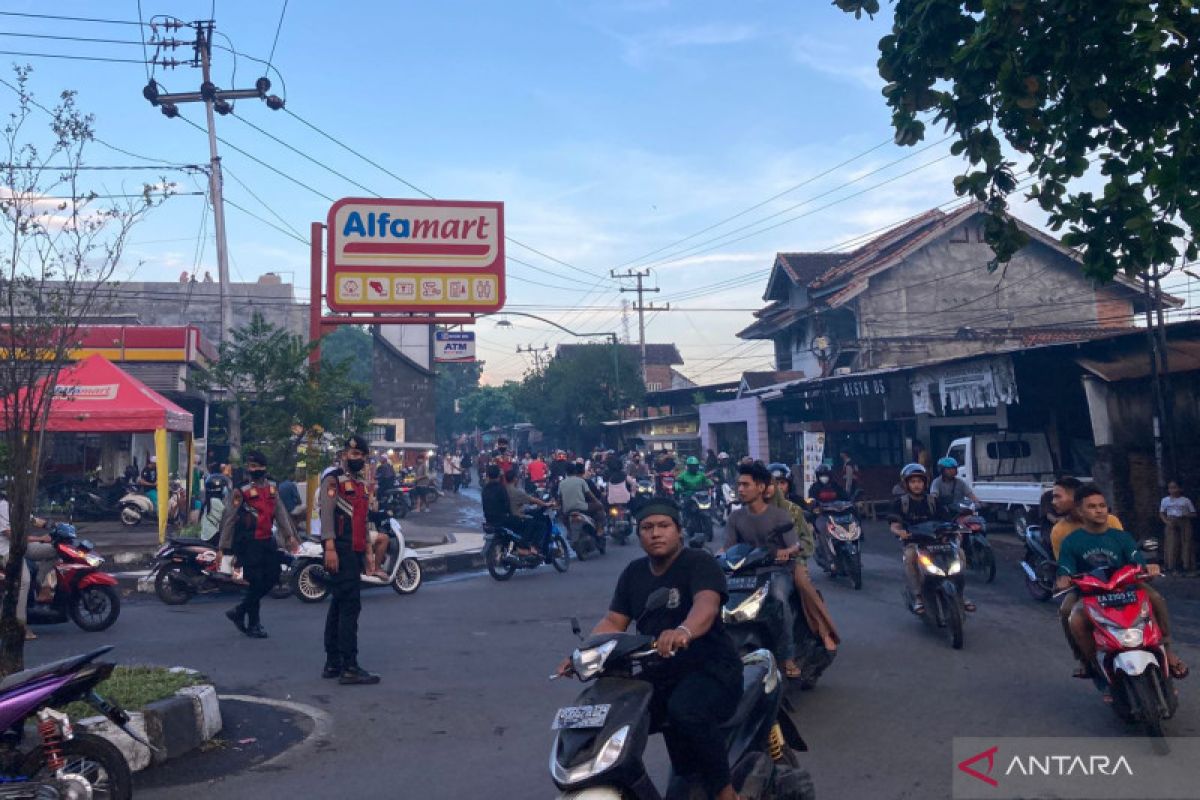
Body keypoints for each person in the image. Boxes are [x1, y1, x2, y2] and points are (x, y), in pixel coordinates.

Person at [555, 500, 744, 800]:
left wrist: (683, 631)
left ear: (679, 532)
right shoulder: (633, 573)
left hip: (711, 668)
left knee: (685, 711)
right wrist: (584, 654)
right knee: (614, 716)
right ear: (639, 534)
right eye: (647, 527)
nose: (656, 533)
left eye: (664, 526)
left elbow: (705, 606)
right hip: (660, 670)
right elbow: (614, 620)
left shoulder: (698, 562)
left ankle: (725, 792)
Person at [1058, 484, 1187, 684]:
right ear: (1080, 511)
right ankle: (1086, 660)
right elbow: (1065, 568)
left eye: (1102, 505)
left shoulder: (1121, 537)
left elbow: (1137, 560)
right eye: (1092, 506)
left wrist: (1149, 568)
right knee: (1068, 612)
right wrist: (1063, 579)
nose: (1099, 510)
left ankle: (1167, 651)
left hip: (1126, 586)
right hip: (1089, 591)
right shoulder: (1072, 541)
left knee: (1156, 599)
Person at [721, 461, 803, 679]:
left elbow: (795, 545)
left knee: (778, 599)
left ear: (760, 488)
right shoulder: (735, 517)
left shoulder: (779, 516)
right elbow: (728, 548)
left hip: (776, 570)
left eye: (746, 485)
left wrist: (787, 552)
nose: (740, 489)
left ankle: (788, 657)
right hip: (744, 573)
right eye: (739, 485)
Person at [767, 465, 839, 688]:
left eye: (779, 484)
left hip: (792, 562)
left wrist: (792, 553)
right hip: (760, 566)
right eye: (770, 483)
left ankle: (824, 631)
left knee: (801, 584)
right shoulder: (750, 511)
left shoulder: (793, 508)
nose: (774, 488)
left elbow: (807, 542)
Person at [319, 435, 381, 685]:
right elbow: (326, 515)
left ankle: (333, 662)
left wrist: (367, 551)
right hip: (340, 550)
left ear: (365, 458)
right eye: (350, 454)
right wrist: (330, 548)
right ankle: (349, 666)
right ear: (344, 455)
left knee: (338, 604)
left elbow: (362, 520)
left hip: (354, 551)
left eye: (359, 455)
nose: (354, 458)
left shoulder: (361, 485)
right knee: (350, 608)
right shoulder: (333, 480)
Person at [218, 450, 299, 639]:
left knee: (272, 577)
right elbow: (229, 518)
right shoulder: (242, 490)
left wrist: (289, 536)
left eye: (255, 466)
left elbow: (280, 512)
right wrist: (222, 547)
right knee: (255, 582)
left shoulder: (272, 487)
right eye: (249, 466)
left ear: (264, 467)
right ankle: (254, 624)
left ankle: (239, 611)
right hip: (248, 542)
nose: (251, 469)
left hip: (267, 541)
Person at [889, 463, 975, 614]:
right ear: (906, 484)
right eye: (913, 482)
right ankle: (918, 597)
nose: (917, 485)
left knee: (959, 553)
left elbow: (947, 520)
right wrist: (899, 532)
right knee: (909, 557)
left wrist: (956, 530)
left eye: (919, 481)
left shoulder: (933, 501)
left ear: (925, 483)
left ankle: (960, 595)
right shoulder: (900, 503)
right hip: (915, 543)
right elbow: (894, 524)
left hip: (938, 541)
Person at [0, 492, 36, 640]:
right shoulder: (3, 507)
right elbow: (10, 534)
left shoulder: (15, 507)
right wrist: (39, 538)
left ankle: (45, 587)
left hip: (19, 546)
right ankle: (19, 624)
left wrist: (52, 525)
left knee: (52, 550)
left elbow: (34, 520)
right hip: (6, 550)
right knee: (23, 581)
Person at [504, 464, 552, 554]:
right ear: (515, 479)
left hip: (507, 517)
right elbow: (532, 500)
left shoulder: (503, 489)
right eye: (517, 478)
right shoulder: (516, 491)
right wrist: (545, 504)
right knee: (541, 525)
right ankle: (533, 547)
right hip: (517, 517)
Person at [1160, 480, 1196, 575]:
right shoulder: (1165, 500)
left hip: (1184, 521)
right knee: (1171, 544)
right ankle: (1171, 565)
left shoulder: (1185, 500)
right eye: (1170, 488)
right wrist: (1167, 522)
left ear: (1180, 489)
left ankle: (1186, 565)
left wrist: (1186, 514)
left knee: (1186, 542)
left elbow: (1194, 514)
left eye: (1175, 487)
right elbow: (1162, 513)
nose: (1172, 490)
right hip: (1171, 521)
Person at [558, 461, 601, 529]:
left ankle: (569, 531)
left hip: (567, 510)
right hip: (582, 508)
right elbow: (591, 495)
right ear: (575, 471)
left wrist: (561, 509)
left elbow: (560, 499)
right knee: (600, 507)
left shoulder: (561, 483)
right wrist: (598, 503)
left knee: (562, 516)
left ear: (566, 472)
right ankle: (599, 530)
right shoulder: (581, 481)